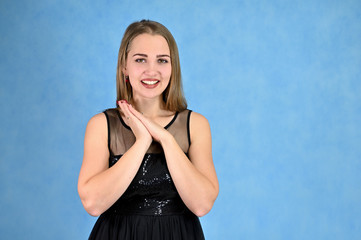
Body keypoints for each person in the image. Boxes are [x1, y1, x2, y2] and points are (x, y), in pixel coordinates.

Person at [78, 19, 219, 240]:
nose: (151, 71)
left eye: (162, 60)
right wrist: (142, 140)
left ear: (173, 67)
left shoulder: (195, 125)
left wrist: (165, 138)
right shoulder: (101, 125)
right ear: (124, 66)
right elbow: (93, 204)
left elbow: (201, 204)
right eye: (140, 60)